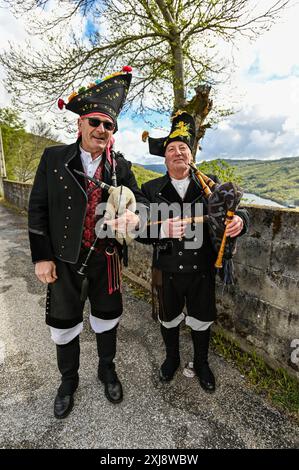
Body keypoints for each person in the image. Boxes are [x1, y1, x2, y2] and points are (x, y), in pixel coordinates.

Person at [28, 67, 149, 418]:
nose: (101, 130)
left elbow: (141, 201)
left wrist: (135, 215)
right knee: (64, 324)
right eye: (95, 122)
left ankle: (107, 369)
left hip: (106, 258)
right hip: (64, 259)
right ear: (80, 124)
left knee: (107, 318)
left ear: (113, 132)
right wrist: (42, 257)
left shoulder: (120, 166)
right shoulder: (54, 159)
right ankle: (68, 381)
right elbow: (37, 207)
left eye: (108, 125)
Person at [140, 111, 249, 393]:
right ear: (164, 158)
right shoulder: (151, 189)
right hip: (166, 269)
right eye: (171, 149)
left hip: (202, 269)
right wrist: (162, 230)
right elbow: (139, 228)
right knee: (168, 318)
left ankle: (201, 363)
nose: (177, 153)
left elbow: (235, 210)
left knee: (202, 321)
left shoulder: (209, 183)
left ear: (192, 155)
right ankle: (172, 359)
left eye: (183, 149)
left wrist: (240, 221)